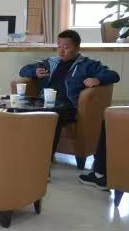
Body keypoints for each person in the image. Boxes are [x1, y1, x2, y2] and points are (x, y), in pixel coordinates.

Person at [18, 29, 120, 181]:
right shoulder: (50, 62)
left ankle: (43, 167)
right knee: (15, 110)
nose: (61, 51)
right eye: (59, 46)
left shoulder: (87, 65)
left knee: (53, 116)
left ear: (77, 48)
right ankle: (18, 159)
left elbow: (113, 75)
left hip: (67, 107)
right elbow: (23, 70)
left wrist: (97, 79)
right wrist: (34, 72)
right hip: (43, 103)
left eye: (66, 47)